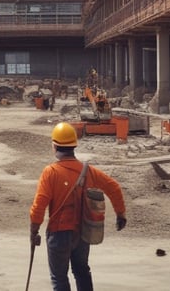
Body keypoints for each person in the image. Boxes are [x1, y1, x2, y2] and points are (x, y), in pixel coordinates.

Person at [29, 121, 127, 291]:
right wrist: (120, 214)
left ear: (54, 146)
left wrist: (33, 231)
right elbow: (114, 187)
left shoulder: (50, 173)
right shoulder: (88, 171)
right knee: (81, 271)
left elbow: (39, 206)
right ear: (74, 145)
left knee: (59, 278)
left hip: (58, 234)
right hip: (82, 233)